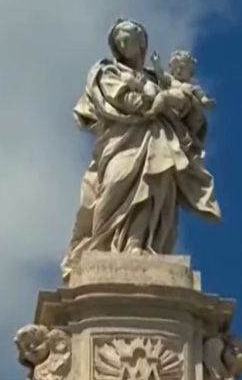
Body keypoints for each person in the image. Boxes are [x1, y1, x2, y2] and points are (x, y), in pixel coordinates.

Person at [61, 19, 220, 281]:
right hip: (121, 142)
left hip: (158, 141)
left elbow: (190, 118)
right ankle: (103, 246)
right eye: (119, 40)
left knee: (154, 189)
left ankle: (137, 245)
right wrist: (154, 101)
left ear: (141, 43)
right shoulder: (107, 72)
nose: (124, 43)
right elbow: (122, 101)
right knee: (116, 183)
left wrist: (184, 105)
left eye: (129, 38)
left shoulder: (157, 78)